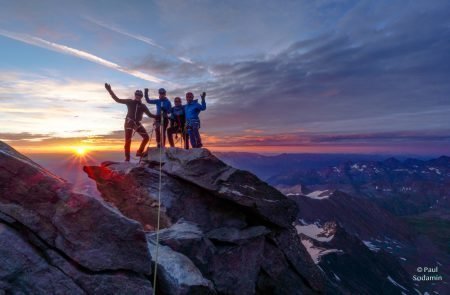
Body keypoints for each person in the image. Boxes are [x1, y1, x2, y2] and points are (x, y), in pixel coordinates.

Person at [105, 83, 155, 162]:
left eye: (139, 95)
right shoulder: (130, 102)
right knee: (128, 140)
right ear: (135, 95)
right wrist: (109, 90)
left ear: (141, 97)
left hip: (136, 123)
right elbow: (117, 100)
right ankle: (127, 158)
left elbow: (150, 115)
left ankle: (139, 152)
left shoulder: (143, 106)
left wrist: (160, 117)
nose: (138, 96)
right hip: (129, 122)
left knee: (146, 137)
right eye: (137, 95)